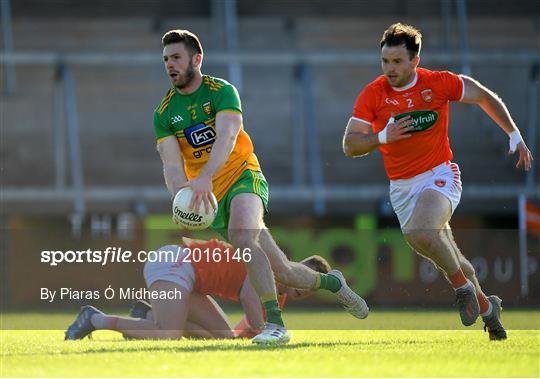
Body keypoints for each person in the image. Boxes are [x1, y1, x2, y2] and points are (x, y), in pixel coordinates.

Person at [152, 29, 368, 344]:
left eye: (176, 58)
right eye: (166, 59)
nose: (170, 64)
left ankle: (275, 326)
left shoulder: (222, 92)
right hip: (210, 197)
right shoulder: (164, 113)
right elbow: (171, 165)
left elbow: (226, 138)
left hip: (242, 175)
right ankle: (333, 284)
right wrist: (180, 199)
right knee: (283, 271)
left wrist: (205, 177)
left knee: (242, 236)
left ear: (196, 59)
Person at [342, 23, 533, 341]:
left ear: (415, 60)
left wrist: (514, 134)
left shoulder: (438, 83)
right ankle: (488, 308)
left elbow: (484, 97)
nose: (390, 69)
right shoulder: (373, 93)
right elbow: (349, 145)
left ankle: (461, 290)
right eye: (385, 62)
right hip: (401, 188)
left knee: (421, 231)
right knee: (444, 253)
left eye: (397, 62)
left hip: (439, 175)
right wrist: (382, 137)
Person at [65, 238, 333, 340]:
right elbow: (255, 322)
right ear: (296, 268)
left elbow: (243, 333)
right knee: (168, 334)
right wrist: (273, 336)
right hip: (175, 264)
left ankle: (146, 317)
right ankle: (95, 319)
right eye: (305, 279)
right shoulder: (267, 271)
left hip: (190, 282)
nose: (304, 289)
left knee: (222, 338)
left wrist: (261, 335)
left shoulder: (279, 297)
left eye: (311, 287)